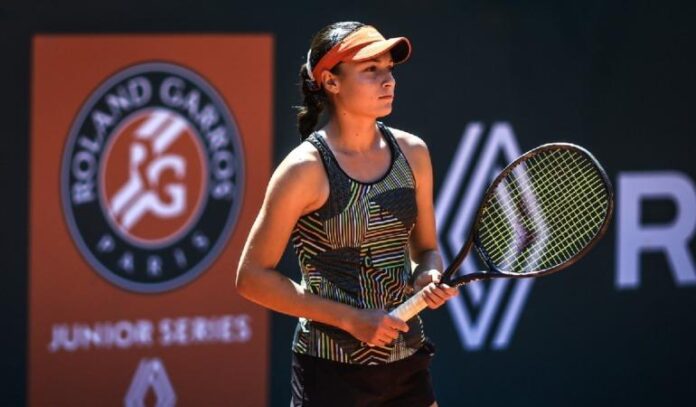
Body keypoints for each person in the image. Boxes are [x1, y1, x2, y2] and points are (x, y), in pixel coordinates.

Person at [236, 21, 458, 406]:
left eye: (389, 68)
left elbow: (425, 249)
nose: (388, 80)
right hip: (329, 373)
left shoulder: (414, 153)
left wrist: (427, 274)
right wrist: (349, 319)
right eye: (370, 69)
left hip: (407, 364)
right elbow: (251, 277)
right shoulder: (304, 169)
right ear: (331, 81)